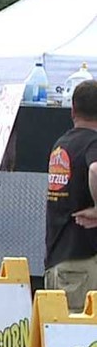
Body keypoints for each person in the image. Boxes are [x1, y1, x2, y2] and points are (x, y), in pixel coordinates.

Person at [47, 80, 97, 311]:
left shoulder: (62, 143)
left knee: (61, 337)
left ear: (73, 110)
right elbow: (96, 169)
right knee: (83, 339)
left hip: (59, 256)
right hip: (83, 263)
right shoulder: (93, 142)